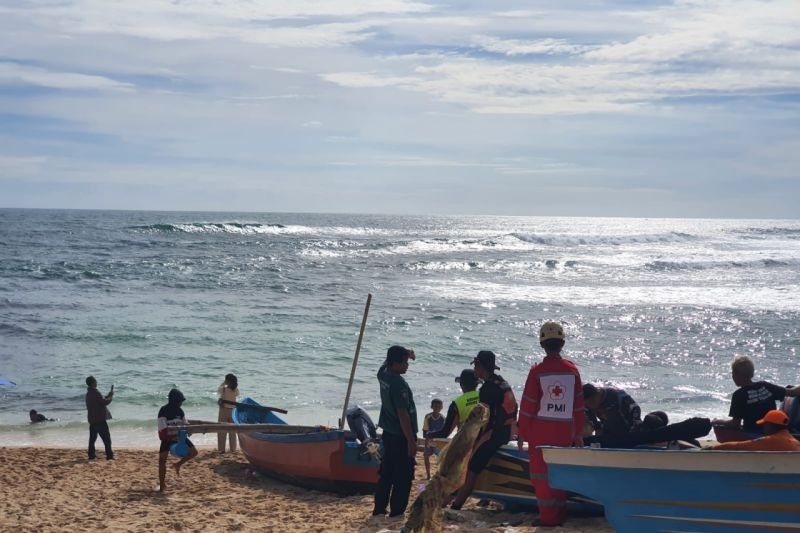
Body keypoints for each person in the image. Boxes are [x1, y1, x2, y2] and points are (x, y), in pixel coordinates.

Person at [518, 321, 584, 527]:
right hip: (564, 431)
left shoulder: (538, 371)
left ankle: (548, 518)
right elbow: (579, 406)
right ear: (562, 343)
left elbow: (528, 404)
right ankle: (561, 512)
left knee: (541, 477)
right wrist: (578, 433)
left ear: (542, 345)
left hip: (541, 433)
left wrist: (522, 430)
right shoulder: (572, 370)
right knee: (559, 473)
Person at [450, 350, 518, 510]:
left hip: (494, 435)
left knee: (471, 468)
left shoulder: (487, 390)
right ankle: (482, 498)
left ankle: (456, 505)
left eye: (475, 366)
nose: (474, 370)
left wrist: (473, 441)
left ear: (481, 366)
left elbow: (484, 420)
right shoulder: (501, 382)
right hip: (508, 431)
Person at [373, 345, 418, 518]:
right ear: (395, 364)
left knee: (386, 473)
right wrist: (411, 442)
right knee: (403, 476)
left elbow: (385, 363)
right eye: (405, 362)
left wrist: (406, 352)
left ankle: (379, 509)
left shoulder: (383, 375)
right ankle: (397, 511)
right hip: (401, 435)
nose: (407, 365)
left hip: (388, 434)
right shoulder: (398, 383)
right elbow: (403, 415)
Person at [712, 355, 800, 434]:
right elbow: (792, 392)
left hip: (753, 433)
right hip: (772, 431)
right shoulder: (765, 385)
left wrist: (718, 421)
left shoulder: (738, 395)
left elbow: (735, 424)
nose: (732, 376)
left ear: (737, 375)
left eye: (733, 373)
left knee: (719, 427)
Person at [157, 388, 198, 492]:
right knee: (162, 460)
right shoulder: (163, 410)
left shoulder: (180, 411)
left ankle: (178, 464)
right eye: (180, 401)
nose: (181, 404)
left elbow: (185, 424)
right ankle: (162, 485)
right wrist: (172, 436)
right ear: (174, 401)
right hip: (167, 438)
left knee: (194, 452)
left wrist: (189, 429)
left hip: (179, 436)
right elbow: (162, 429)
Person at [427, 369, 481, 440]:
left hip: (466, 443)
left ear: (461, 384)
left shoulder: (457, 403)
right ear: (477, 384)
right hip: (482, 441)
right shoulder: (483, 396)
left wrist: (429, 434)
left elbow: (445, 433)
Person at [711, 410, 800, 451]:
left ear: (770, 425)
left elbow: (739, 446)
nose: (763, 428)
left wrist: (713, 448)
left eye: (764, 425)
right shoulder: (790, 438)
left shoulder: (771, 440)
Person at [85, 376, 114, 461]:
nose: (97, 383)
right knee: (107, 439)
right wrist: (111, 397)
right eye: (95, 381)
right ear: (93, 383)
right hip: (99, 420)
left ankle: (91, 455)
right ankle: (109, 456)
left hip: (92, 420)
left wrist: (107, 395)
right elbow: (104, 402)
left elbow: (99, 401)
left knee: (92, 439)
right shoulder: (96, 393)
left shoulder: (88, 393)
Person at [422, 399, 445, 479]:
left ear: (442, 407)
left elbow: (444, 433)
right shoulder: (428, 417)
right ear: (432, 407)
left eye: (439, 406)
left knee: (441, 458)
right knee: (426, 455)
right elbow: (425, 432)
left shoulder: (442, 418)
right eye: (435, 406)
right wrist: (427, 445)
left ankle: (439, 474)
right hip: (429, 440)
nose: (437, 408)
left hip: (438, 442)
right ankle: (428, 475)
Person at [217, 373, 239, 453]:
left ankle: (221, 449)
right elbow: (237, 395)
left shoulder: (223, 389)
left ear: (227, 381)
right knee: (232, 431)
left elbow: (218, 390)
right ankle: (233, 449)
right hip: (233, 411)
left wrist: (223, 383)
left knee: (221, 430)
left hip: (224, 410)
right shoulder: (236, 390)